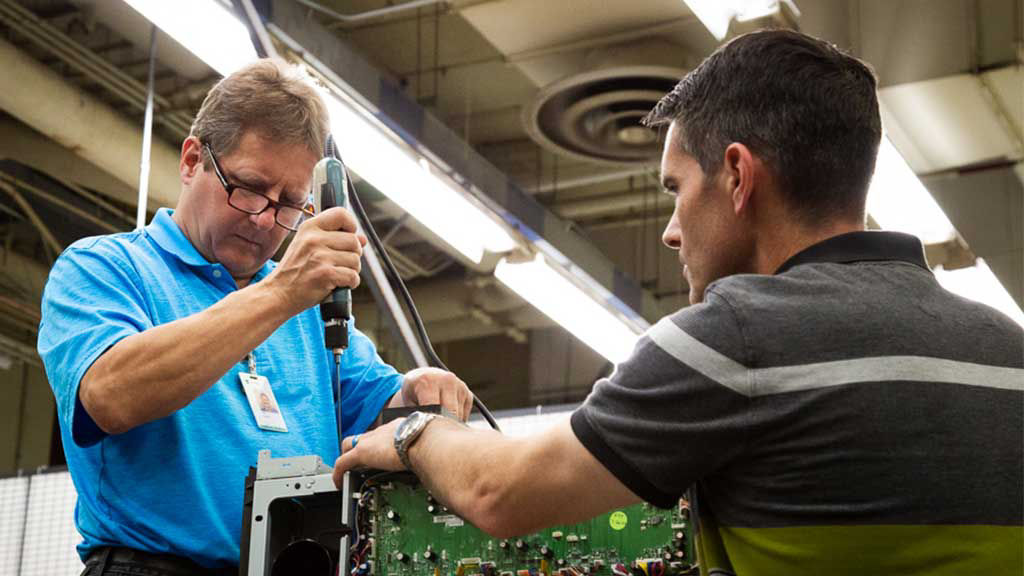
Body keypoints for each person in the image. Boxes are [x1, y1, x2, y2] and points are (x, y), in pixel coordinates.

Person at [333, 29, 1023, 575]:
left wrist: (413, 432)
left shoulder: (735, 337)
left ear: (737, 175)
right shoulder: (1009, 348)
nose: (669, 228)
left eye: (674, 189)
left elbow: (500, 493)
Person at [38, 59, 473, 575]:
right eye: (248, 188)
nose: (266, 221)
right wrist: (281, 291)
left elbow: (377, 410)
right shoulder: (105, 268)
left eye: (291, 203)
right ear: (192, 159)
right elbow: (110, 395)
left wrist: (417, 393)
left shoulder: (312, 313)